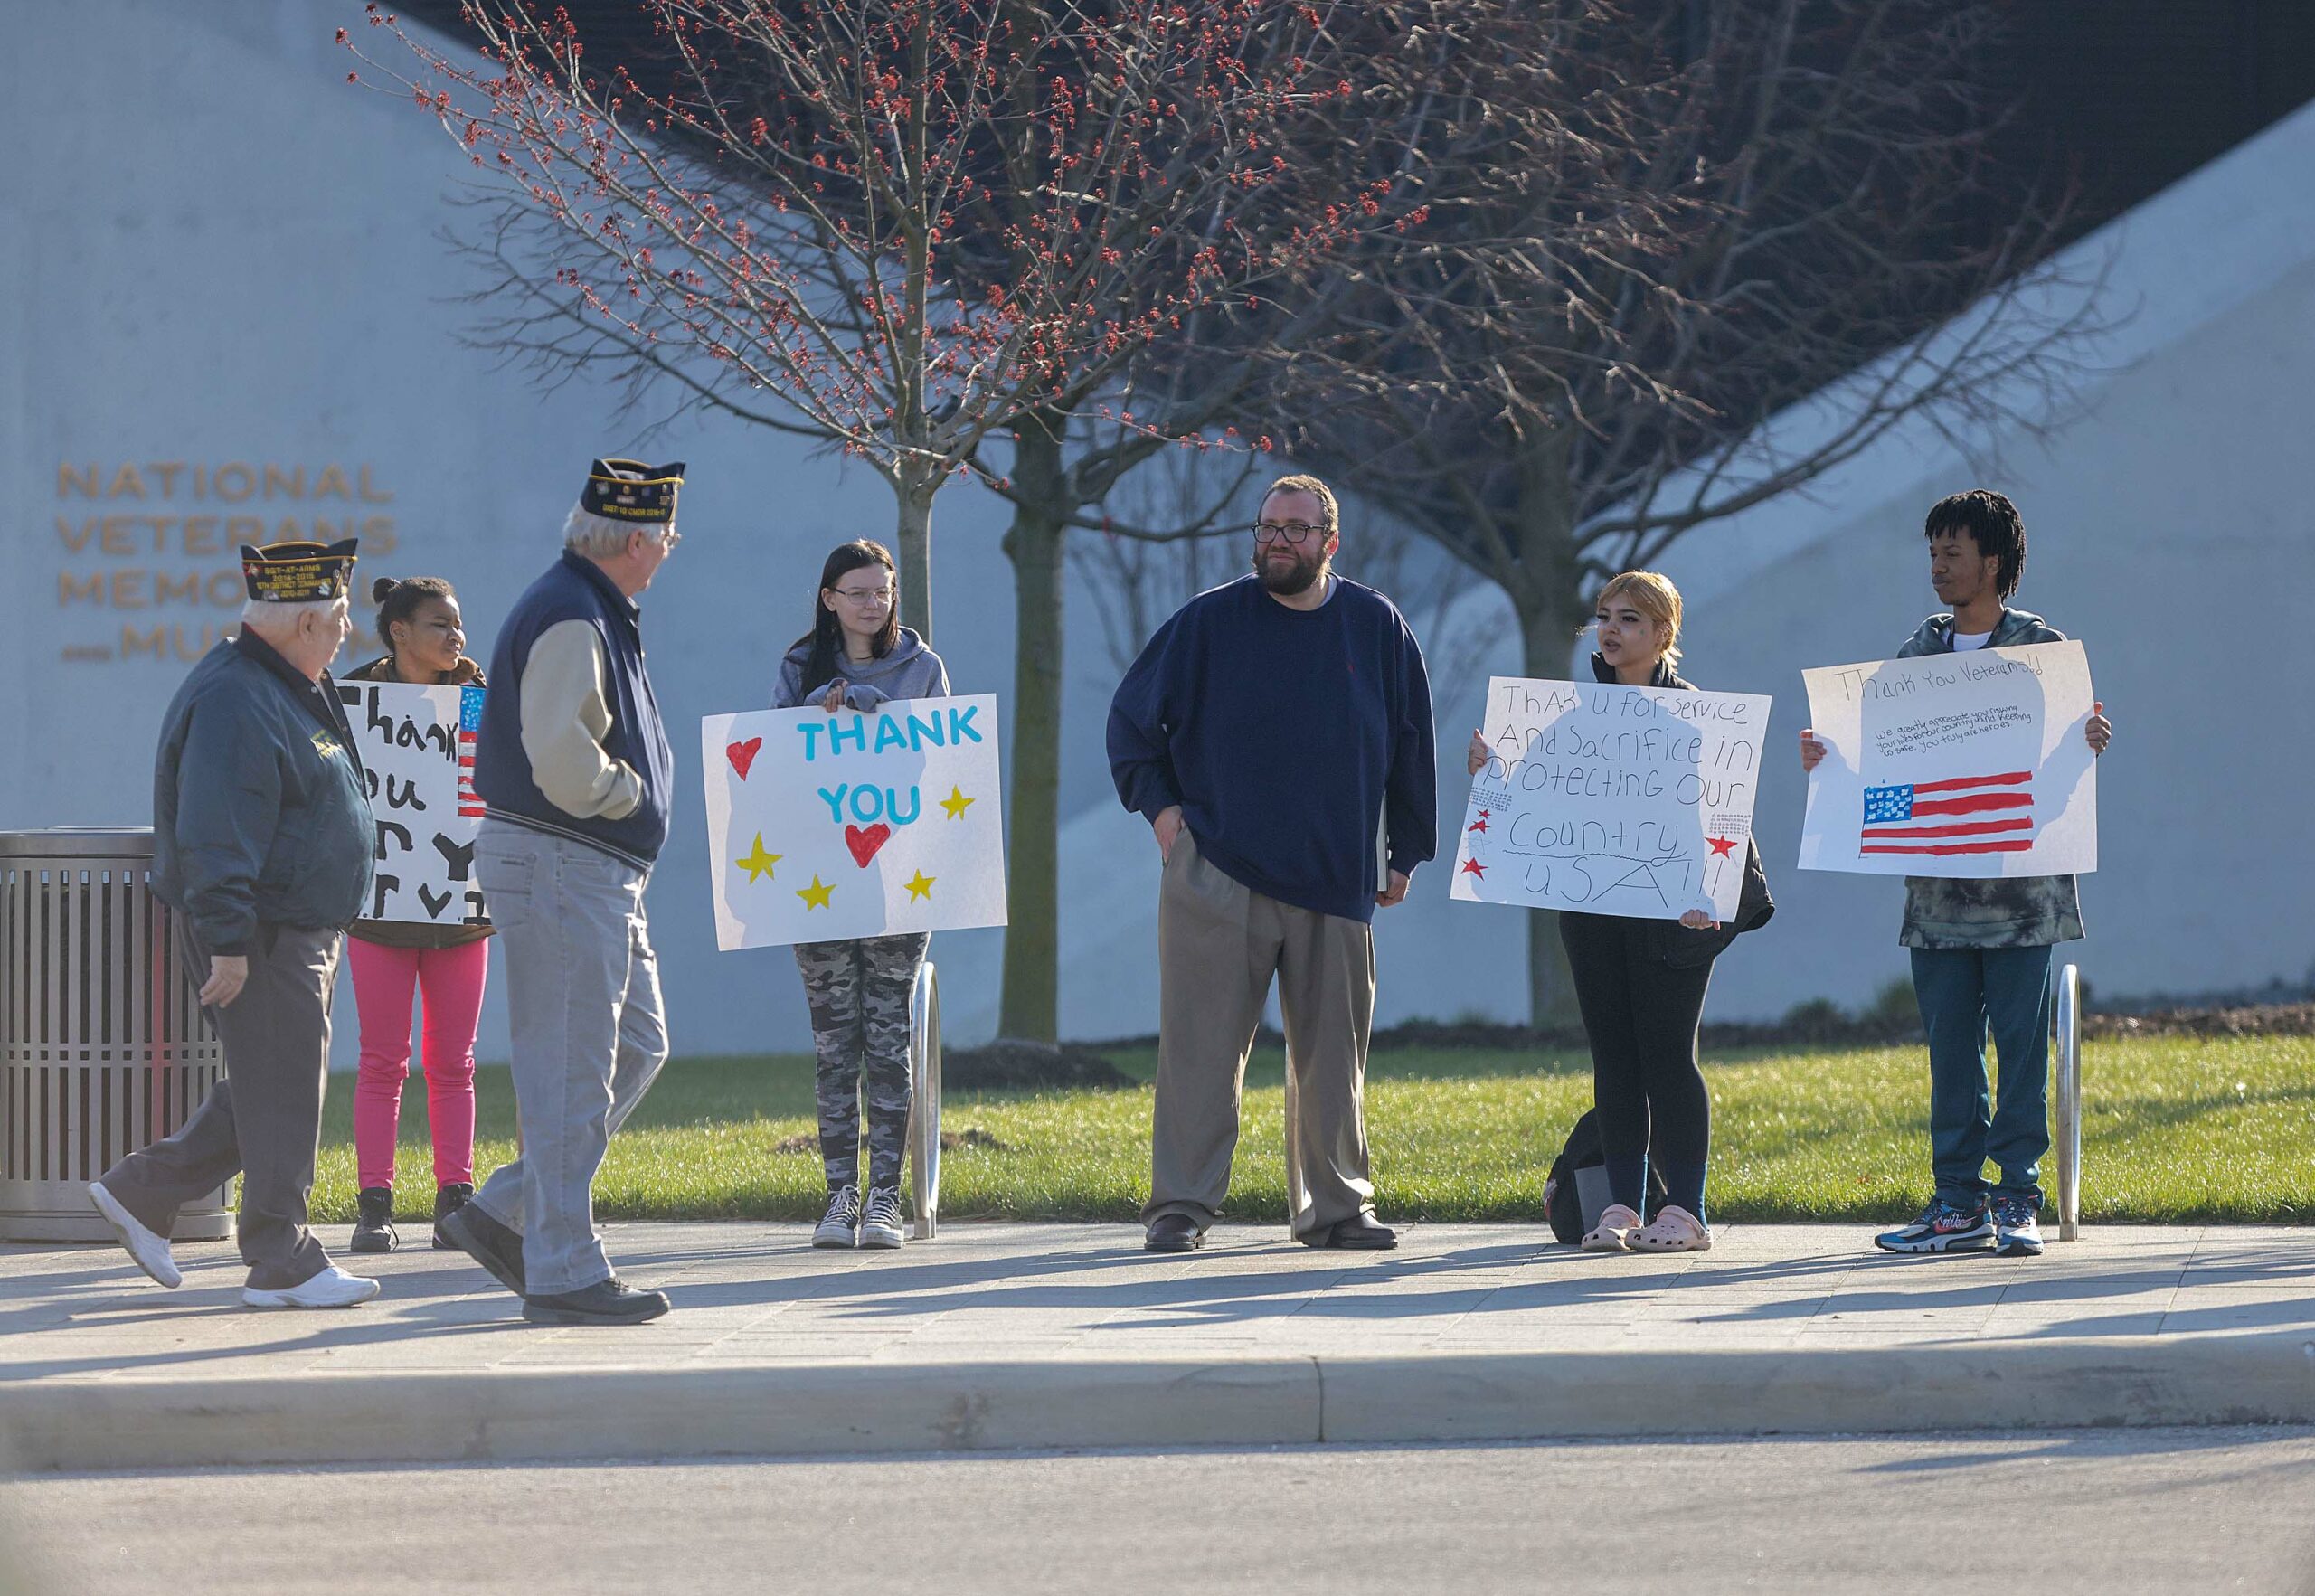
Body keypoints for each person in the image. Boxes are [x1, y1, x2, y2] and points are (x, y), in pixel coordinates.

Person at [1108, 474, 1436, 1253]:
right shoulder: (1208, 623)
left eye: (1294, 529)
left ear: (1330, 541)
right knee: (1199, 1049)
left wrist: (1407, 849)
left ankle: (1337, 1209)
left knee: (1332, 1059)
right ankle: (1180, 1207)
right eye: (1267, 528)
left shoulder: (1375, 625)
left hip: (1337, 873)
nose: (1277, 541)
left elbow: (1410, 742)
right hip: (1216, 868)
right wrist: (1164, 818)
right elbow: (1130, 725)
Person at [1800, 489, 2113, 1258]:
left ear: (1994, 563)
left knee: (2021, 1045)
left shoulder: (2044, 648)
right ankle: (1956, 1203)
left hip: (2024, 901)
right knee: (1950, 1050)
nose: (1937, 567)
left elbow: (2059, 756)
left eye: (1953, 553)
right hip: (1937, 899)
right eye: (1932, 553)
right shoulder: (1918, 654)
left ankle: (2016, 1200)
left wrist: (2091, 736)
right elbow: (1881, 754)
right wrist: (1828, 758)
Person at [86, 538, 383, 1309]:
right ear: (303, 622)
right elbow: (215, 828)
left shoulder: (278, 683)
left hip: (290, 925)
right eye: (340, 616)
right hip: (264, 930)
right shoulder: (237, 697)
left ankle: (141, 1191)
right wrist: (229, 938)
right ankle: (282, 1261)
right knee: (281, 1090)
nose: (348, 629)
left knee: (271, 1085)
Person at [438, 458, 682, 1326]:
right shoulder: (575, 611)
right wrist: (632, 796)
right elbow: (562, 756)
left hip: (580, 864)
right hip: (564, 859)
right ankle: (565, 1266)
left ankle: (506, 1212)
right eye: (664, 535)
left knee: (632, 1046)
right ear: (632, 541)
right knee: (571, 1071)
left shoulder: (582, 602)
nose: (671, 548)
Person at [1468, 571, 1772, 1254]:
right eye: (1604, 616)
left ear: (1664, 634)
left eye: (1630, 619)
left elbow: (1725, 824)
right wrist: (1490, 774)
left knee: (1667, 1056)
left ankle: (1685, 1212)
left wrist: (1713, 898)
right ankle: (1621, 1209)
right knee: (1614, 1059)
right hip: (1592, 914)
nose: (1610, 629)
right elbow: (1530, 813)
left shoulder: (1703, 720)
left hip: (1677, 922)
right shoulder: (1565, 720)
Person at [772, 540, 950, 1251]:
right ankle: (838, 1196)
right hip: (817, 881)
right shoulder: (797, 666)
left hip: (897, 881)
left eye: (883, 590)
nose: (873, 603)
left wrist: (892, 726)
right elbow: (770, 772)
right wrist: (811, 716)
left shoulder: (922, 667)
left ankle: (885, 1199)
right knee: (832, 1044)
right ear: (829, 599)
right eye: (858, 592)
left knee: (888, 1041)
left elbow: (943, 762)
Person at [340, 576, 492, 1253]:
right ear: (399, 631)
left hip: (461, 910)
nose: (454, 637)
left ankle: (455, 1197)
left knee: (455, 1060)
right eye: (439, 625)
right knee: (382, 1061)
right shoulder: (352, 700)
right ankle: (375, 1204)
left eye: (457, 625)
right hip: (378, 912)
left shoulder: (480, 700)